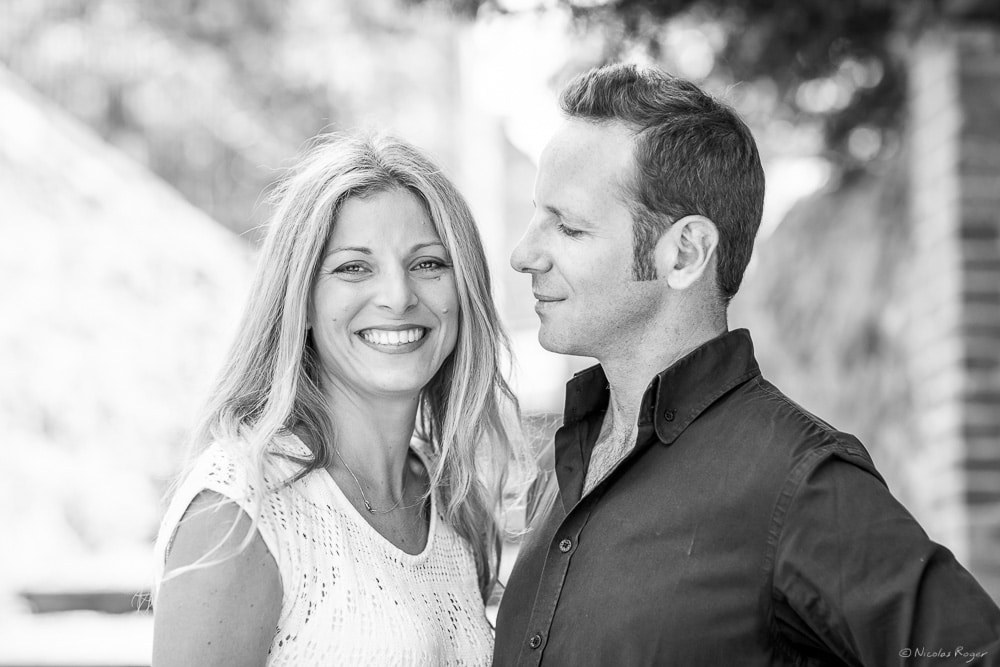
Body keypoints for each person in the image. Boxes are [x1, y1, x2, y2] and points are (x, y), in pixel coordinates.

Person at [493, 63, 1000, 666]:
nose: (524, 254)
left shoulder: (800, 482)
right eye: (536, 215)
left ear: (685, 252)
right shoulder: (561, 466)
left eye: (569, 228)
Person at [151, 132, 527, 666]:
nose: (398, 296)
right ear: (300, 298)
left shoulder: (452, 501)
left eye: (428, 264)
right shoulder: (243, 507)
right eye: (354, 267)